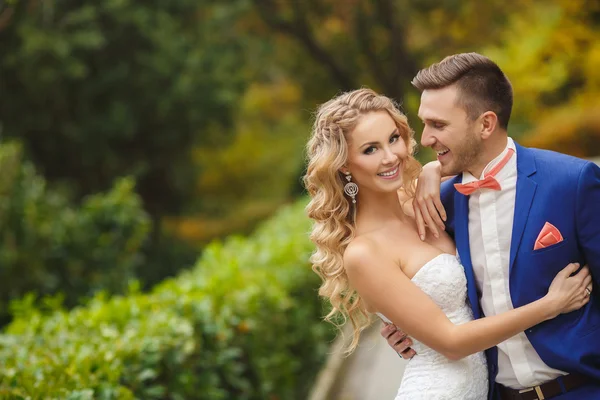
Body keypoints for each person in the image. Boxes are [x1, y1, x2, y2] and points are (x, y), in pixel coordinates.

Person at [303, 87, 592, 400]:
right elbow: (451, 341)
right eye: (370, 150)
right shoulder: (364, 252)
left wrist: (433, 169)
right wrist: (550, 305)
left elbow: (477, 161)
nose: (391, 157)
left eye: (393, 139)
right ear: (344, 164)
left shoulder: (429, 202)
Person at [381, 52, 600, 400]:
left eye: (438, 125)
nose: (424, 139)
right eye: (424, 124)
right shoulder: (442, 202)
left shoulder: (571, 182)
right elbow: (439, 293)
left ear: (485, 124)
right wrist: (409, 332)